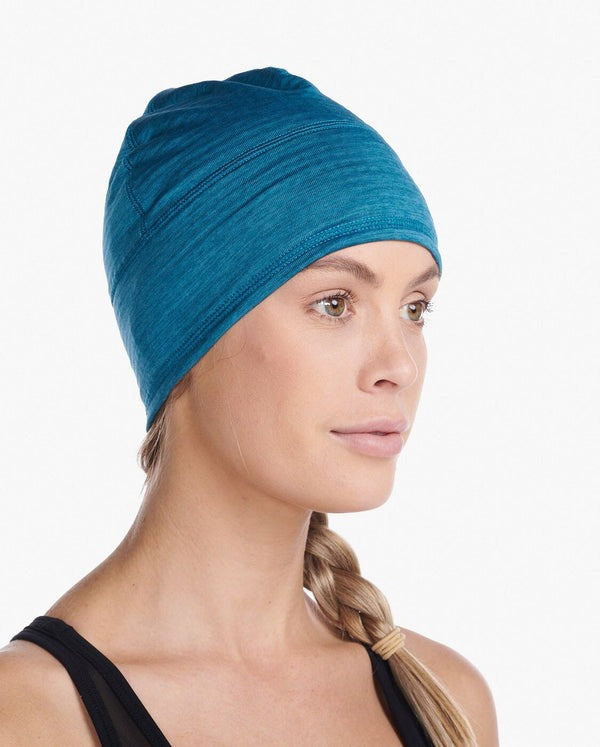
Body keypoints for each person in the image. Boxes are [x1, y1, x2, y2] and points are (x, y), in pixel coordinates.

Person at [0, 66, 498, 746]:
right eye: (335, 304)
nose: (400, 366)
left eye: (415, 308)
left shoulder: (446, 699)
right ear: (187, 334)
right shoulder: (30, 718)